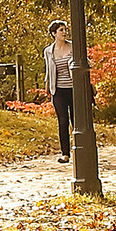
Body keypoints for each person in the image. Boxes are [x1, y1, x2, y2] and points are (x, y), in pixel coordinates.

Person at [43, 20, 77, 164]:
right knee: (63, 121)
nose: (64, 32)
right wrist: (47, 87)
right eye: (61, 30)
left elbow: (86, 62)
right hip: (58, 91)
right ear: (54, 34)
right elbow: (48, 70)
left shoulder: (73, 47)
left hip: (74, 89)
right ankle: (65, 153)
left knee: (76, 121)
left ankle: (79, 150)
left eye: (65, 29)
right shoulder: (49, 51)